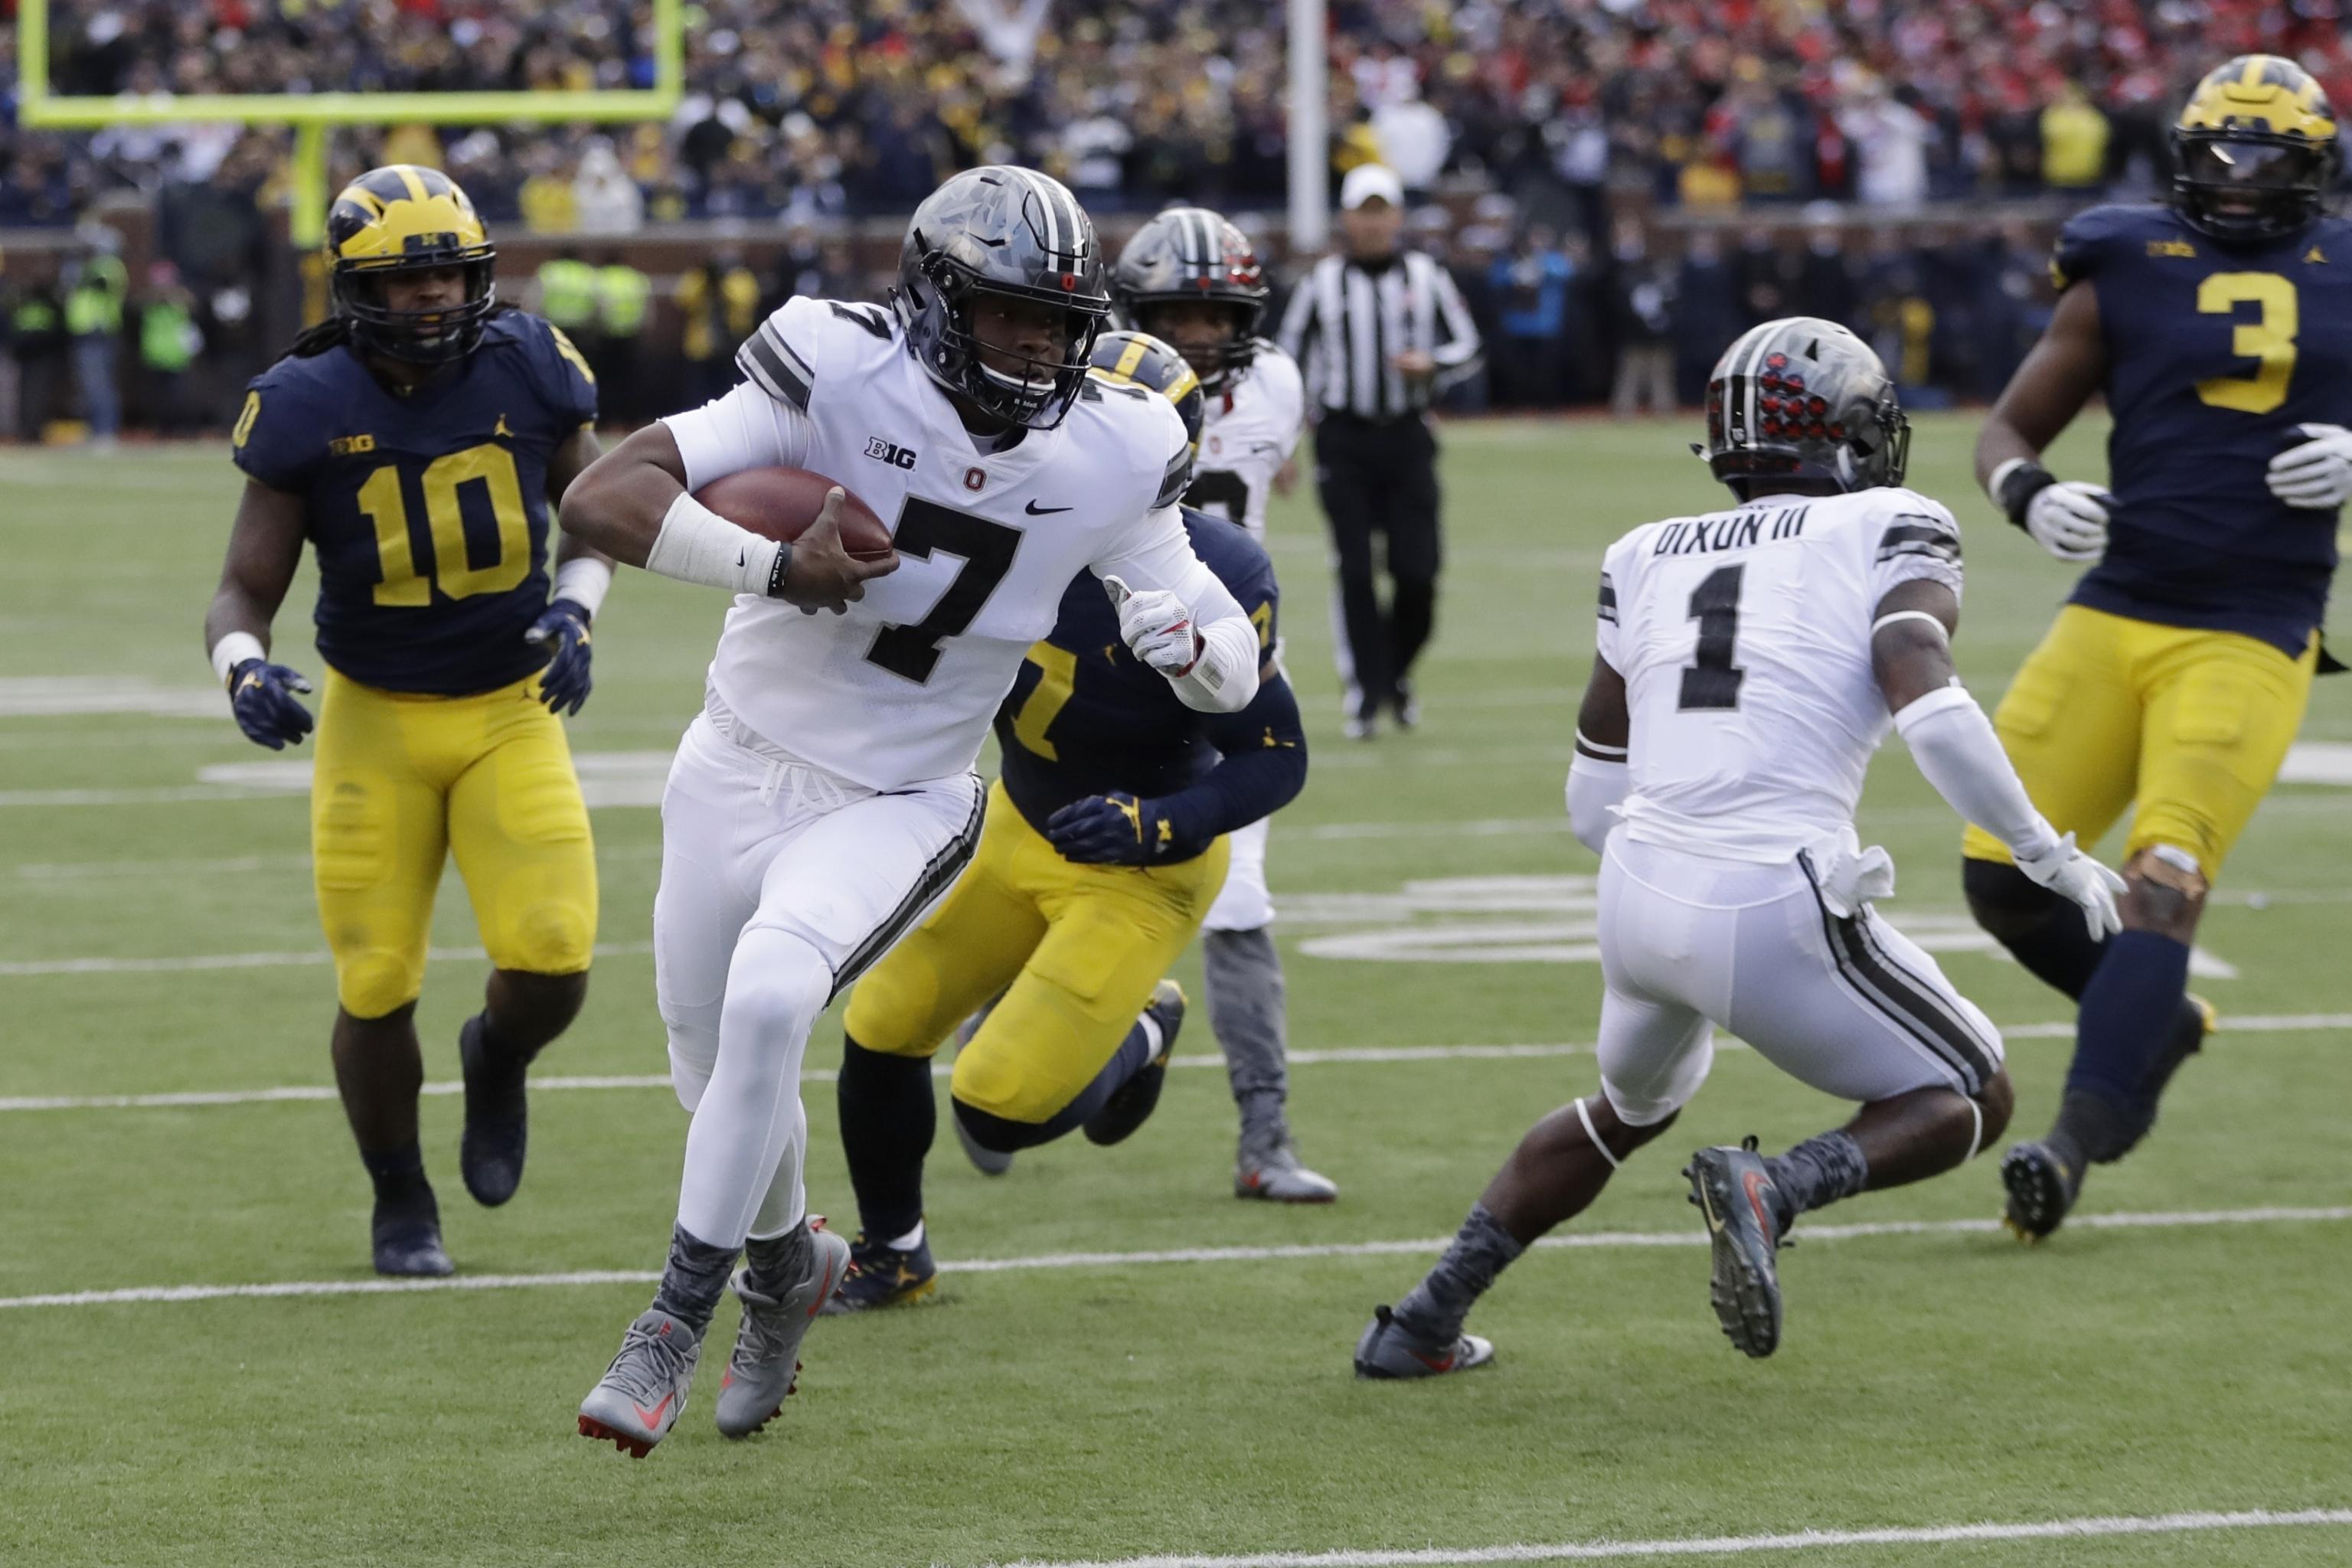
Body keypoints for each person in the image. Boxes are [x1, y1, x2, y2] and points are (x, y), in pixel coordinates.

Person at [554, 165, 1265, 1457]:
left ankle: (670, 1321)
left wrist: (1191, 649)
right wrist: (779, 564)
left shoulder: (1117, 442)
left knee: (777, 995)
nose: (1038, 346)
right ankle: (785, 1263)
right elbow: (599, 499)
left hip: (904, 789)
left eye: (1058, 321)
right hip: (734, 756)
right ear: (941, 299)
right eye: (1009, 315)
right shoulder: (834, 364)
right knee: (708, 1069)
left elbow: (1228, 666)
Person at [1353, 318, 2123, 1379]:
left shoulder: (1642, 553)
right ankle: (1781, 1187)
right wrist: (2045, 851)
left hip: (1636, 894)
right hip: (1772, 895)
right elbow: (1931, 706)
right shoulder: (1892, 521)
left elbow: (1591, 794)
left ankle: (1422, 1321)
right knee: (1973, 1095)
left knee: (1623, 1110)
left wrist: (1673, 882)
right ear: (1851, 438)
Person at [827, 331, 1310, 1307]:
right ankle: (896, 1250)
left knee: (997, 1107)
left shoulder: (1214, 573)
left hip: (1144, 865)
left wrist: (1157, 826)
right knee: (879, 1023)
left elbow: (1279, 756)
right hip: (1017, 821)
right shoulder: (1003, 520)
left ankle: (1144, 1026)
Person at [199, 165, 612, 1279]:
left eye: (450, 273)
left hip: (509, 710)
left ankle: (497, 1059)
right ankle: (401, 1197)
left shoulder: (529, 364)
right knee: (376, 979)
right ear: (352, 290)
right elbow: (243, 590)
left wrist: (577, 612)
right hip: (374, 717)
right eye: (407, 277)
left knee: (556, 957)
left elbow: (599, 515)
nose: (434, 297)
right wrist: (245, 670)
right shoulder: (305, 400)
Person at [1966, 56, 2352, 1240]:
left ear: (2313, 167)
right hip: (2117, 602)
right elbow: (2007, 425)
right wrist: (2029, 492)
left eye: (2265, 159)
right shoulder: (2125, 260)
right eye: (2218, 156)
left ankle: (2070, 1146)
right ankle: (2154, 1021)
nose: (2236, 183)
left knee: (2162, 883)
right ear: (2183, 156)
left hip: (2253, 629)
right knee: (2001, 876)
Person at [1112, 205, 1334, 1201]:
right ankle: (1011, 1030)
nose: (1199, 335)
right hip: (1098, 667)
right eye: (1178, 315)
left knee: (1239, 904)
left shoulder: (1274, 381)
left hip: (1227, 668)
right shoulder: (1100, 390)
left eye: (1217, 315)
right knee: (1045, 867)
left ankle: (1267, 1137)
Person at [1277, 163, 1481, 738]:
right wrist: (1282, 446)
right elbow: (1285, 366)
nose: (1372, 222)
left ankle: (1395, 672)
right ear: (1347, 218)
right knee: (1356, 571)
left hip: (1408, 435)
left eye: (1381, 210)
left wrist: (1432, 364)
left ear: (1396, 216)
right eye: (1362, 211)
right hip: (1343, 439)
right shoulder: (1321, 283)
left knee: (1419, 572)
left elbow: (1468, 344)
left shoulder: (1425, 274)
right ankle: (1367, 694)